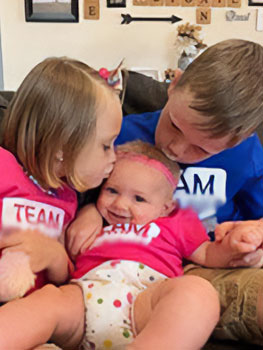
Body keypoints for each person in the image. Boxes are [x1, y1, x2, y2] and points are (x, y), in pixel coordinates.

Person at [67, 39, 263, 345]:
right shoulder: (120, 132)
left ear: (238, 140)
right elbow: (84, 188)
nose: (176, 148)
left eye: (201, 148)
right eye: (175, 125)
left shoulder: (248, 155)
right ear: (174, 84)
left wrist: (254, 235)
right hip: (121, 262)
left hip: (207, 265)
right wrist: (90, 209)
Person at [2, 140, 263, 350]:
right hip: (83, 299)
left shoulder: (176, 221)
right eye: (112, 191)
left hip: (144, 303)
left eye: (139, 198)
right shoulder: (91, 222)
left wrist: (233, 247)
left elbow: (207, 254)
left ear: (165, 207)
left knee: (198, 291)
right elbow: (66, 263)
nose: (120, 205)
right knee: (46, 302)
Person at [0, 56, 122, 301]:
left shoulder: (67, 197)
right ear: (63, 148)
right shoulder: (3, 165)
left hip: (31, 312)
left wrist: (55, 254)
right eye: (105, 146)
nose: (114, 158)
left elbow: (62, 277)